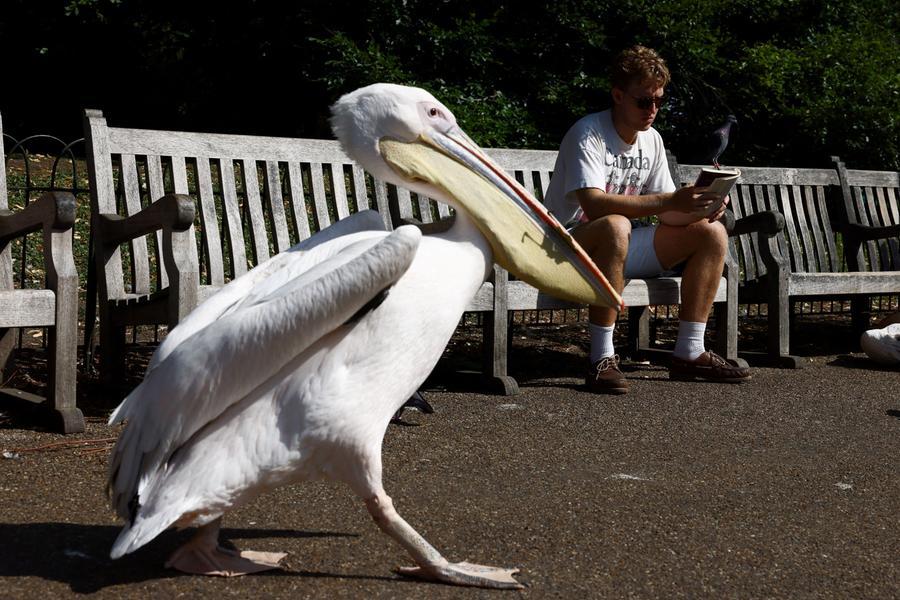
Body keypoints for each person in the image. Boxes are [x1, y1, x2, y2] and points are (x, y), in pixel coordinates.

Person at [543, 45, 751, 394]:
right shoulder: (588, 132)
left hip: (615, 249)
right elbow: (594, 206)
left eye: (658, 101)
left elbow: (668, 212)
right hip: (564, 249)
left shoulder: (651, 140)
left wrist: (702, 207)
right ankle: (600, 359)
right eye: (643, 101)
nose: (652, 110)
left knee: (711, 233)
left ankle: (689, 350)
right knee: (615, 223)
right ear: (618, 95)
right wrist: (671, 199)